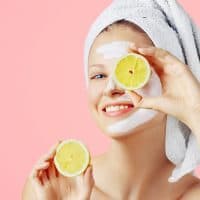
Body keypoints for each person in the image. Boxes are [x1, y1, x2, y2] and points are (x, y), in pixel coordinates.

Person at [22, 16, 200, 200]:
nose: (111, 88)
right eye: (99, 75)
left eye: (131, 70)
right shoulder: (53, 189)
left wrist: (195, 108)